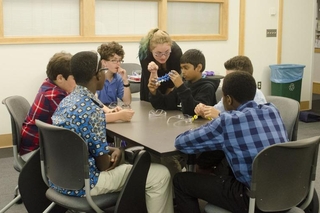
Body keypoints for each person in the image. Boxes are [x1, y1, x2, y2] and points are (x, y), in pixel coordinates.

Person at [51, 51, 174, 213]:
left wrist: (112, 150)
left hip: (60, 178)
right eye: (102, 71)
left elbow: (80, 141)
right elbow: (103, 165)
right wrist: (119, 156)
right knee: (160, 174)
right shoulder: (92, 110)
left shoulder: (67, 101)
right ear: (97, 76)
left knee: (130, 159)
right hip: (86, 183)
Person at [173, 71, 289, 213]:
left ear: (228, 99)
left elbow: (182, 143)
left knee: (181, 181)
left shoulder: (228, 121)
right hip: (287, 189)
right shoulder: (272, 110)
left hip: (252, 198)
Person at [20, 52, 76, 161]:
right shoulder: (53, 95)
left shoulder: (50, 84)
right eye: (74, 78)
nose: (77, 82)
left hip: (42, 145)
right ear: (60, 78)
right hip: (35, 153)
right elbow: (76, 118)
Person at [148, 49, 220, 116]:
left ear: (199, 67)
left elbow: (194, 112)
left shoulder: (207, 87)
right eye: (181, 68)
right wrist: (154, 92)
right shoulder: (184, 84)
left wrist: (181, 87)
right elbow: (164, 104)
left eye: (186, 68)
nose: (183, 72)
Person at [194, 55, 266, 119]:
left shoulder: (257, 97)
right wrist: (204, 110)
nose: (227, 82)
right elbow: (215, 110)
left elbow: (250, 122)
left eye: (231, 78)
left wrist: (220, 115)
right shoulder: (230, 94)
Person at [138, 28, 182, 101]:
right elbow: (151, 85)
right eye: (158, 53)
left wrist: (165, 100)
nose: (163, 57)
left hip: (170, 85)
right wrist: (153, 72)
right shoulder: (144, 53)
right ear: (151, 50)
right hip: (150, 86)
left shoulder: (176, 53)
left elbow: (172, 83)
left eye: (167, 52)